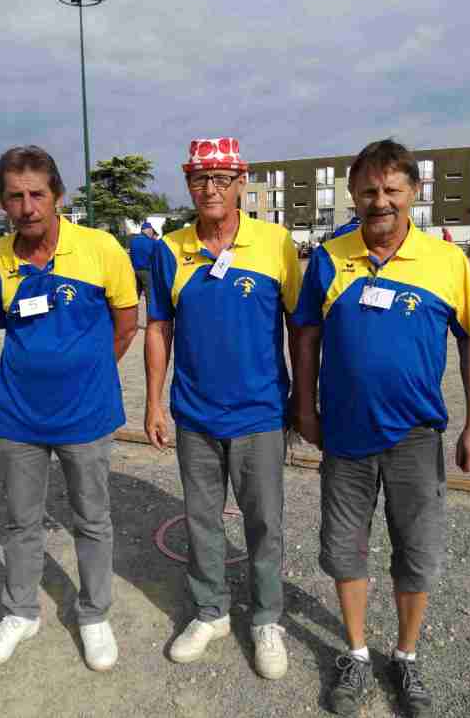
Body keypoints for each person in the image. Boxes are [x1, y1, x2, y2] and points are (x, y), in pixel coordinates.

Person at [292, 139, 470, 717]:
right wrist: (305, 408)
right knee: (345, 549)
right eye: (368, 191)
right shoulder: (329, 258)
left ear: (413, 192)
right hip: (345, 434)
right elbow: (305, 337)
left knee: (416, 552)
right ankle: (355, 653)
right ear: (353, 195)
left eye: (391, 190)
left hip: (416, 436)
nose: (380, 201)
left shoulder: (447, 261)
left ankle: (405, 655)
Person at [0, 146, 138, 671]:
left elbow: (126, 324)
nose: (27, 207)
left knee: (92, 519)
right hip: (19, 415)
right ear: (2, 202)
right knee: (21, 522)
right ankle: (20, 612)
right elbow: (10, 326)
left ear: (58, 197)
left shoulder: (101, 248)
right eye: (15, 197)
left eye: (37, 194)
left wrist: (87, 372)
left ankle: (94, 615)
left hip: (86, 415)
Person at [145, 137, 303, 680]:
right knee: (202, 520)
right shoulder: (170, 249)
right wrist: (153, 403)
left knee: (264, 522)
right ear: (188, 184)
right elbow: (158, 329)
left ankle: (266, 619)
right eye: (199, 179)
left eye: (220, 178)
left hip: (260, 413)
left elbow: (300, 327)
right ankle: (210, 612)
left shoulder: (276, 243)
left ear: (240, 182)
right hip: (195, 414)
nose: (209, 188)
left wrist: (302, 400)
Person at [129, 221, 157, 307]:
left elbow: (131, 255)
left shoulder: (133, 240)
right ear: (148, 230)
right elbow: (154, 256)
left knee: (135, 295)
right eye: (151, 230)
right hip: (146, 271)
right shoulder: (151, 242)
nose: (152, 233)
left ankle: (133, 312)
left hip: (135, 270)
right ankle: (150, 314)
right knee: (150, 296)